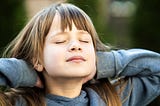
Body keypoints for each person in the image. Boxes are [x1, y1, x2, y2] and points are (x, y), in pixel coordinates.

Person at [0, 2, 160, 106]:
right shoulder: (15, 103)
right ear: (38, 59)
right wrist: (25, 71)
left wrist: (102, 63)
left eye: (84, 40)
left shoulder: (115, 99)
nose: (76, 46)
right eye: (60, 41)